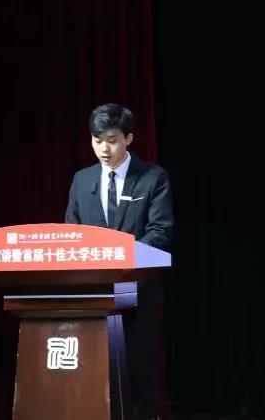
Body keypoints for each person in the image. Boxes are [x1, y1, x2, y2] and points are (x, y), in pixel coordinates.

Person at [65, 102, 173, 420]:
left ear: (128, 138)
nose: (104, 149)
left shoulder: (153, 178)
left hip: (138, 292)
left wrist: (120, 261)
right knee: (97, 372)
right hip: (93, 295)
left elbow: (160, 232)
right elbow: (73, 232)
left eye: (112, 140)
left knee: (140, 371)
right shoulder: (81, 180)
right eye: (97, 140)